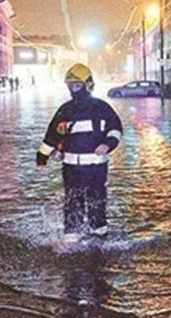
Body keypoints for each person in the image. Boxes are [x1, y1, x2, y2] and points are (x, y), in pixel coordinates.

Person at [36, 63, 123, 245]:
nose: (73, 90)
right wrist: (43, 158)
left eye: (77, 85)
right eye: (70, 86)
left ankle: (99, 234)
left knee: (97, 200)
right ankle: (72, 235)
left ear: (88, 84)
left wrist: (107, 145)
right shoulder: (65, 110)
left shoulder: (102, 108)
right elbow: (51, 135)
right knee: (73, 200)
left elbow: (116, 129)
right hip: (71, 166)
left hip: (97, 166)